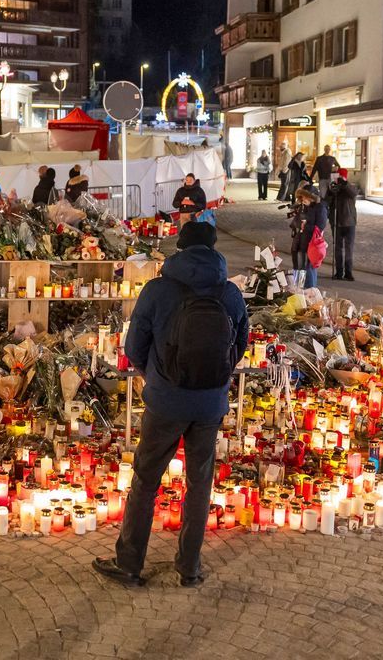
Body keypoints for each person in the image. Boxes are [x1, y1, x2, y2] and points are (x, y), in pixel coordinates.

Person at [92, 221, 250, 588]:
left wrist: (156, 374)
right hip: (210, 405)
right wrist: (215, 377)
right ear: (214, 250)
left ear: (180, 248)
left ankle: (130, 564)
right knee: (199, 483)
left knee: (146, 481)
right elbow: (239, 344)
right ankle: (189, 568)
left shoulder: (158, 289)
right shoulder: (229, 293)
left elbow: (134, 348)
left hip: (166, 402)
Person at [328, 168, 358, 281]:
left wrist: (344, 184)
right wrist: (332, 189)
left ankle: (348, 272)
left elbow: (353, 193)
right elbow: (328, 200)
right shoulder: (334, 187)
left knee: (349, 248)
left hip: (349, 222)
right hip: (336, 222)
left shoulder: (350, 186)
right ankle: (339, 272)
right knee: (338, 248)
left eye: (341, 177)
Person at [295, 186, 327, 289]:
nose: (303, 199)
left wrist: (306, 225)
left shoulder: (320, 207)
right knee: (304, 268)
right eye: (302, 197)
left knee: (309, 268)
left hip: (313, 243)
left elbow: (320, 226)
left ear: (311, 197)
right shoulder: (307, 207)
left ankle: (311, 291)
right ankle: (305, 290)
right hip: (304, 241)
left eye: (305, 197)